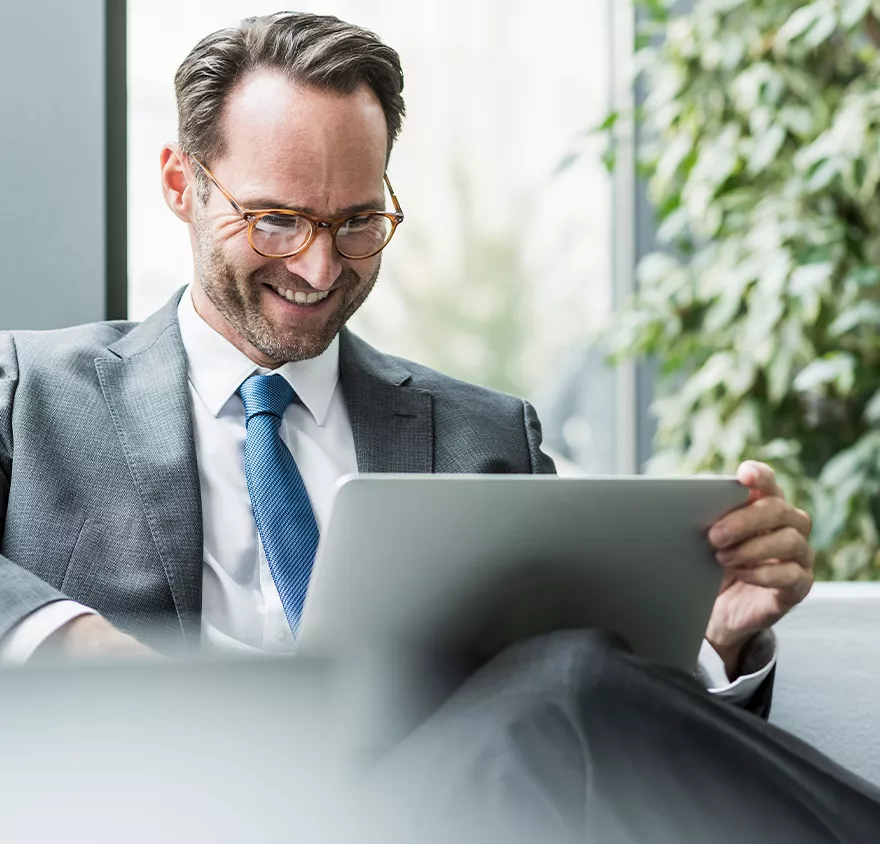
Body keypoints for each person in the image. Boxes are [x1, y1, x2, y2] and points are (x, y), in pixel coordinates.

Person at [0, 11, 876, 841]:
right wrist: (71, 641)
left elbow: (571, 741)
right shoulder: (29, 388)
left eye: (357, 224)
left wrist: (712, 643)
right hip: (150, 809)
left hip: (425, 817)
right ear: (180, 184)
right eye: (276, 220)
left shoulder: (487, 435)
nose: (317, 266)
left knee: (570, 682)